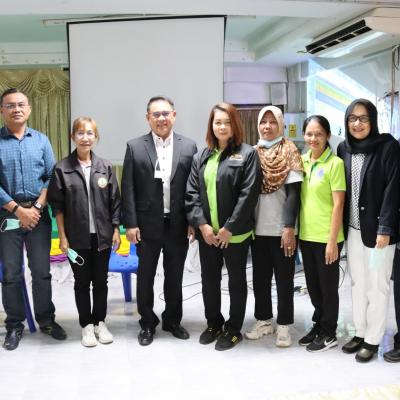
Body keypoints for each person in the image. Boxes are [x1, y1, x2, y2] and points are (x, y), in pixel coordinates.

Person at [121, 96, 197, 346]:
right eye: (156, 114)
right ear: (148, 118)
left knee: (174, 276)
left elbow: (193, 188)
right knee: (145, 277)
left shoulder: (189, 146)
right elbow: (128, 188)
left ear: (174, 115)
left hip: (178, 224)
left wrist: (192, 220)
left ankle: (172, 321)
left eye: (165, 113)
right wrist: (130, 224)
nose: (161, 118)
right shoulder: (135, 146)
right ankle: (147, 322)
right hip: (146, 226)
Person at [186, 102, 261, 351]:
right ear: (211, 126)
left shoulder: (247, 154)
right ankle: (214, 324)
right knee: (209, 280)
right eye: (217, 122)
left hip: (235, 235)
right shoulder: (202, 156)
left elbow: (248, 195)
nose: (222, 127)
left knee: (236, 282)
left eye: (227, 122)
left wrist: (229, 228)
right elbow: (192, 193)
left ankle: (233, 329)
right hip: (208, 235)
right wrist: (202, 225)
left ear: (235, 125)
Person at [0, 88, 66, 350]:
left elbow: (51, 176)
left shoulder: (41, 140)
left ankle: (46, 320)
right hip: (8, 217)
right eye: (10, 105)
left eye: (21, 105)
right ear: (2, 110)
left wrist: (37, 207)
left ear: (28, 109)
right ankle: (14, 325)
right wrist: (18, 210)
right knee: (12, 274)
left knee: (41, 272)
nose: (16, 109)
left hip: (38, 216)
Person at [48, 117, 121, 347]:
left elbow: (115, 202)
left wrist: (116, 229)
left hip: (102, 237)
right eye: (80, 133)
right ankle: (86, 325)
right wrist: (63, 237)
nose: (85, 138)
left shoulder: (105, 167)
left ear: (96, 137)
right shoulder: (62, 168)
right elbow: (57, 207)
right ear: (73, 137)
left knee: (101, 282)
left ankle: (100, 322)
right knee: (81, 283)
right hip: (76, 238)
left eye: (90, 133)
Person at [337, 98, 400, 363]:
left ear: (372, 120)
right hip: (353, 230)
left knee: (377, 286)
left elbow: (393, 189)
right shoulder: (344, 148)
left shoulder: (388, 147)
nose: (358, 123)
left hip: (378, 234)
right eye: (352, 118)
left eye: (363, 118)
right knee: (357, 283)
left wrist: (385, 228)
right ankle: (360, 332)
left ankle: (373, 340)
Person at [245, 106, 303, 347]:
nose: (267, 126)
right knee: (260, 279)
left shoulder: (290, 151)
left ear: (281, 124)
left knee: (284, 280)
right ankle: (264, 321)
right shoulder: (252, 153)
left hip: (282, 230)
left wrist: (288, 227)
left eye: (272, 121)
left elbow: (294, 194)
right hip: (257, 229)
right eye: (263, 121)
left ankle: (284, 325)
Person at [298, 115, 345, 353]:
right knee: (313, 286)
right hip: (306, 236)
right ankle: (319, 323)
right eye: (309, 134)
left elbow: (339, 205)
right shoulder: (302, 160)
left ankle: (329, 332)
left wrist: (332, 242)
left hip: (328, 238)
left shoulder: (335, 164)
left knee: (328, 288)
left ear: (327, 135)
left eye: (318, 134)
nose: (313, 138)